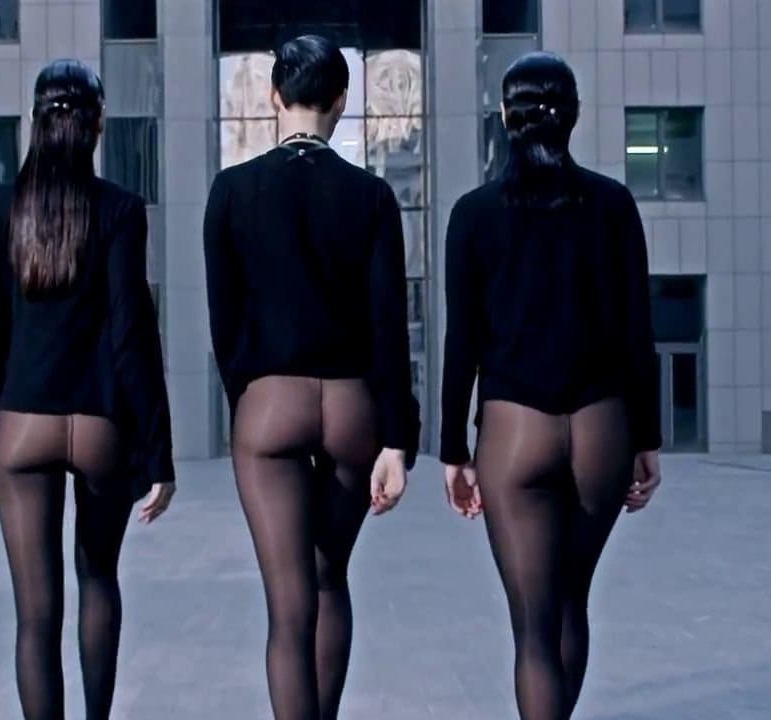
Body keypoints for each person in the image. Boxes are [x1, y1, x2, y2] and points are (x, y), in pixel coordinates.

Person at [438, 52, 663, 720]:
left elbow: (462, 343)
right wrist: (647, 439)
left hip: (514, 431)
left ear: (505, 118)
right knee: (571, 604)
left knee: (534, 628)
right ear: (574, 116)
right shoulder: (614, 205)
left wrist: (453, 451)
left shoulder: (474, 214)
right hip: (602, 428)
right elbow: (637, 332)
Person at [203, 34, 421, 720]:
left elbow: (224, 321)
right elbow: (389, 325)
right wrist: (398, 440)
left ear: (274, 97)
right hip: (353, 407)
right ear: (341, 100)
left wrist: (248, 397)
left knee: (289, 605)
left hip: (271, 403)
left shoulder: (232, 190)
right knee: (330, 580)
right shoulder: (372, 196)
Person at [0, 59, 176, 720]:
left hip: (21, 424)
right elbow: (132, 336)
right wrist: (158, 454)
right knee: (99, 580)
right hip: (97, 427)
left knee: (35, 614)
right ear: (97, 123)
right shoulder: (121, 210)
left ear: (35, 120)